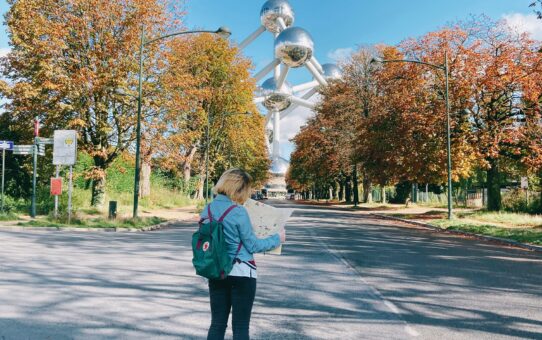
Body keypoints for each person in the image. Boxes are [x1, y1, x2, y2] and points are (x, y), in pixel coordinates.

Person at [201, 168, 286, 340]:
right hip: (242, 272)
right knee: (240, 326)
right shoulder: (239, 212)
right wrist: (278, 238)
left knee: (217, 323)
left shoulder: (207, 210)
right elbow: (253, 245)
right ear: (239, 189)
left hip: (216, 271)